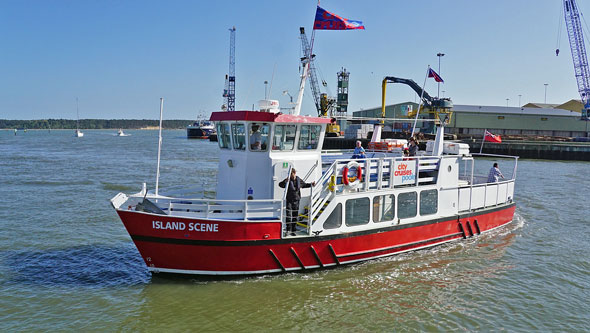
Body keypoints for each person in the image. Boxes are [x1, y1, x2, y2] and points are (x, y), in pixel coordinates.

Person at [279, 168, 315, 236]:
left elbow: (304, 185)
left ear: (294, 173)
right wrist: (285, 182)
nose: (290, 175)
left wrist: (311, 184)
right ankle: (288, 230)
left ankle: (293, 231)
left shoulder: (298, 179)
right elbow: (280, 185)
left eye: (291, 174)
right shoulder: (288, 180)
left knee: (295, 215)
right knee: (289, 216)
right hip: (289, 200)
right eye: (290, 174)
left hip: (296, 200)